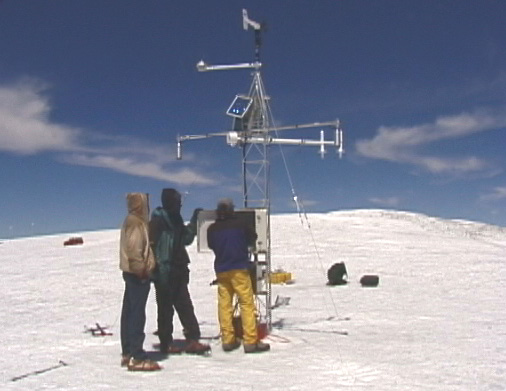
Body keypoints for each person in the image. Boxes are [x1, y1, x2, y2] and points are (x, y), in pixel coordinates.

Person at [149, 188, 210, 355]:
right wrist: (155, 268)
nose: (180, 205)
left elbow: (186, 239)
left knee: (185, 306)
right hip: (163, 270)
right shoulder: (157, 221)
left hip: (178, 269)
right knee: (165, 309)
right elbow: (152, 246)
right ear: (169, 202)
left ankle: (192, 339)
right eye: (177, 201)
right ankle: (166, 343)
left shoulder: (175, 219)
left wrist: (194, 221)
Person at [207, 198, 270, 353]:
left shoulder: (212, 229)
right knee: (246, 303)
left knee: (224, 305)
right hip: (239, 269)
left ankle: (228, 340)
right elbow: (253, 238)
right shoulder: (240, 225)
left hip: (221, 270)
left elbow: (210, 245)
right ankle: (250, 341)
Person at [119, 193, 161, 371]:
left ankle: (128, 351)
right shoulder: (136, 222)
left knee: (129, 311)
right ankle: (137, 356)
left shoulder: (132, 221)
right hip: (137, 274)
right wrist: (142, 271)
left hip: (131, 273)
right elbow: (135, 249)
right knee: (136, 313)